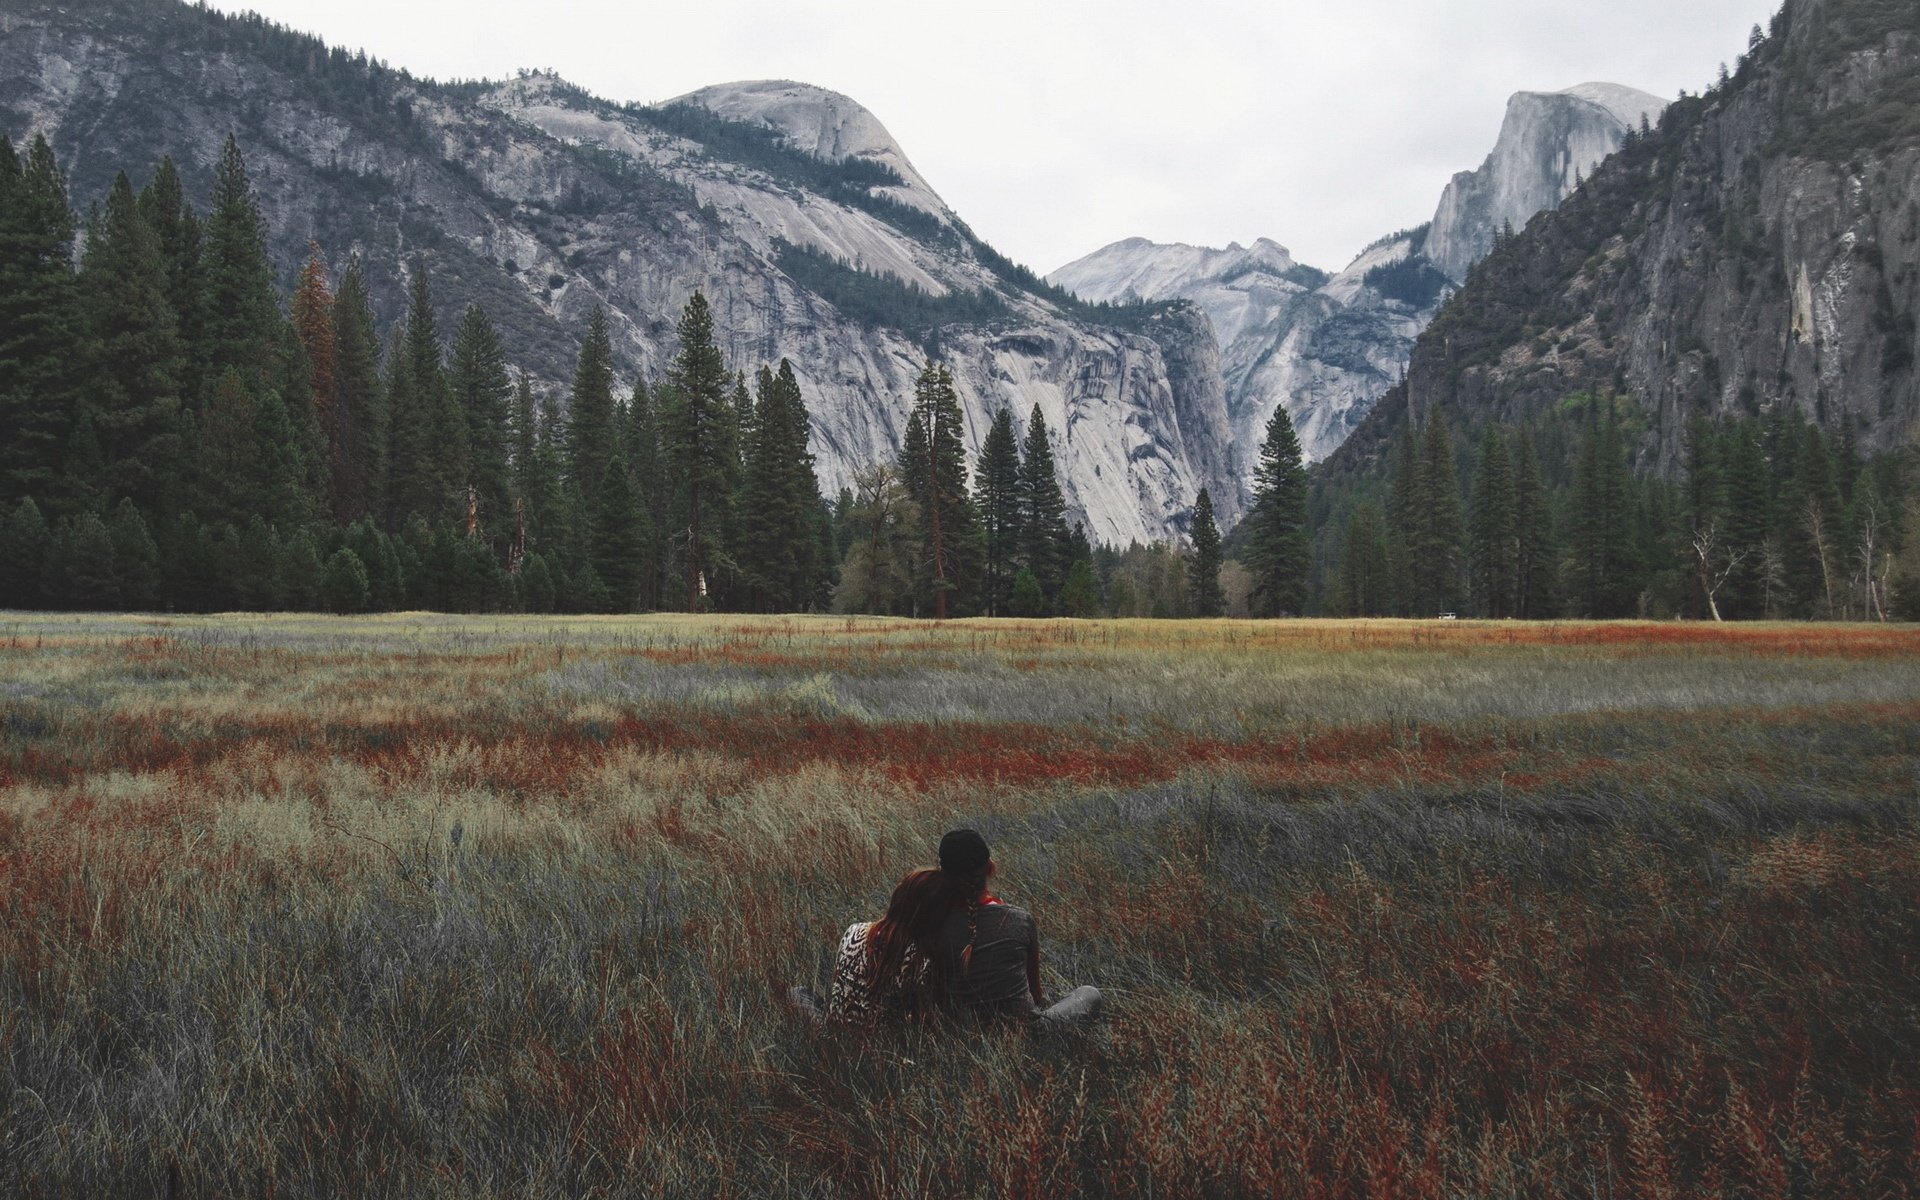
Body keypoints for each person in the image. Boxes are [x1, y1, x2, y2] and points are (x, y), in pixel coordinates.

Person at [930, 828, 1103, 1030]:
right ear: (990, 867)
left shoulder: (929, 923)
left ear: (941, 874)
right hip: (1026, 1031)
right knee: (1089, 993)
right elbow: (1036, 995)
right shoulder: (1019, 919)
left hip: (959, 1033)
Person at [790, 867, 945, 1027]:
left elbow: (839, 988)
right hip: (880, 1044)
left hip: (835, 1031)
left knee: (798, 992)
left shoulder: (854, 931)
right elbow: (925, 1023)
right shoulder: (920, 959)